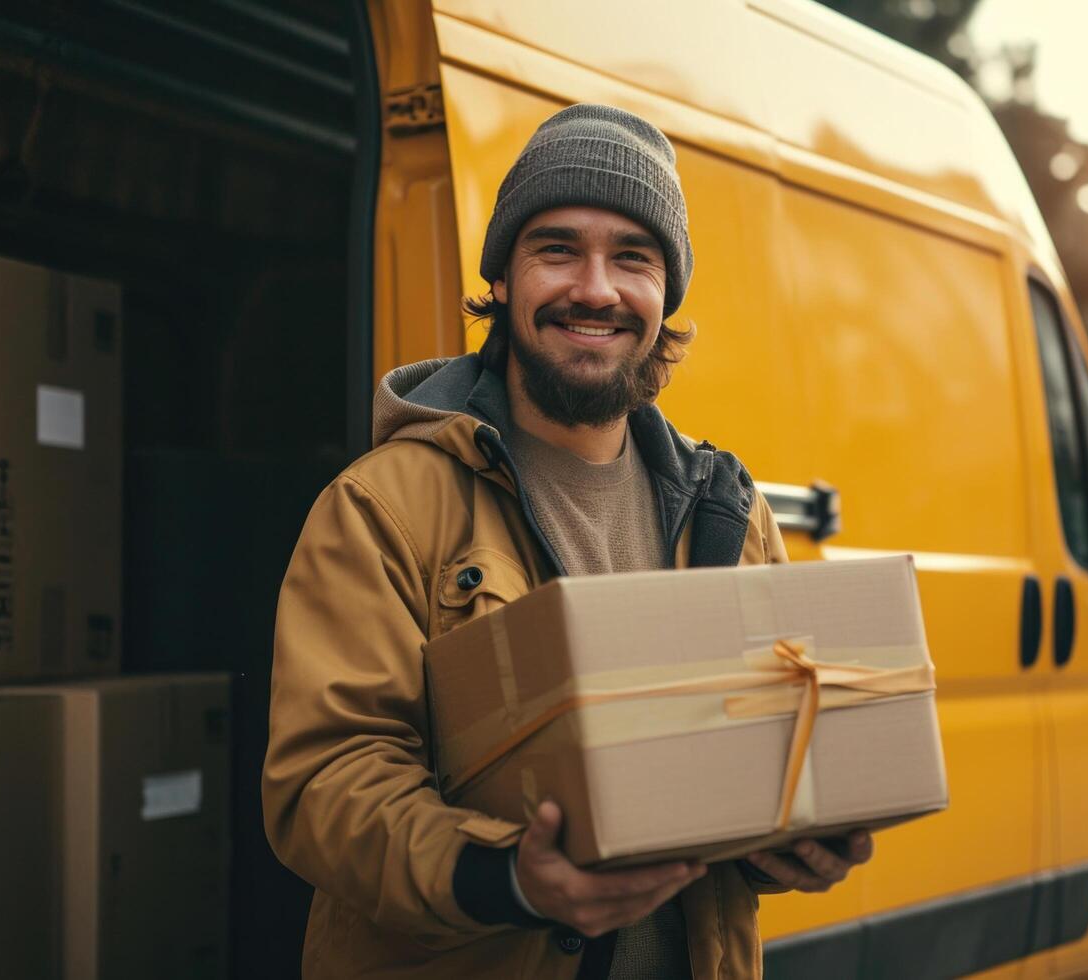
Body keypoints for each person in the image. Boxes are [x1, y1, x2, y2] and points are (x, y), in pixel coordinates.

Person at [263, 103, 874, 980]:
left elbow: (746, 767)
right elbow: (326, 783)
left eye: (634, 257)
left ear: (666, 298)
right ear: (503, 281)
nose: (596, 288)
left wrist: (783, 844)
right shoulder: (382, 505)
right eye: (558, 249)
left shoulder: (729, 515)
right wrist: (509, 878)